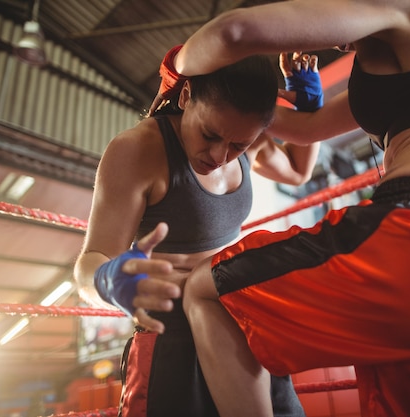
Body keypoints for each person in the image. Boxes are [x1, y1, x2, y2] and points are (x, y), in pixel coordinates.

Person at [145, 1, 410, 416]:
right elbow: (307, 129)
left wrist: (176, 74)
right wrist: (243, 104)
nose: (340, 45)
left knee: (205, 290)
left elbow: (230, 33)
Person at [74, 51, 323, 416]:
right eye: (210, 135)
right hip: (173, 330)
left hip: (241, 319)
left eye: (237, 145)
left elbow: (298, 171)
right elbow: (88, 265)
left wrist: (309, 103)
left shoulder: (245, 135)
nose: (220, 155)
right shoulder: (139, 150)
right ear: (187, 96)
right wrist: (110, 282)